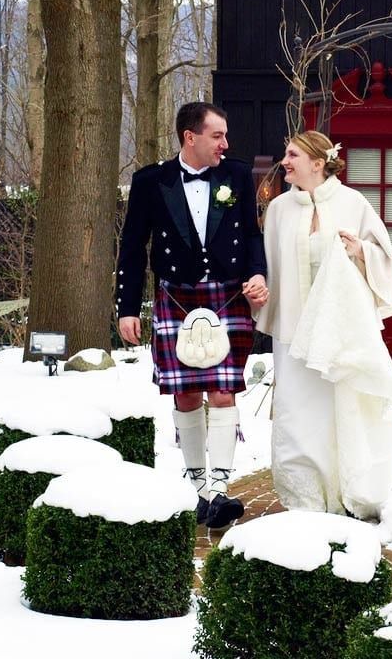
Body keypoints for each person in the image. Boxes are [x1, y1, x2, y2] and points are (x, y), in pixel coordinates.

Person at [116, 101, 269, 529]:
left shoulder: (236, 175)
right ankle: (200, 491)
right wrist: (127, 308)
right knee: (186, 395)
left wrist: (257, 272)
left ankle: (218, 491)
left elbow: (252, 234)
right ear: (191, 137)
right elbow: (132, 248)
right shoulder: (152, 181)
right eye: (217, 135)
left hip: (226, 293)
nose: (226, 143)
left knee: (223, 393)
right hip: (176, 296)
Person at [255, 130, 392, 519]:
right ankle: (304, 497)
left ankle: (346, 490)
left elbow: (384, 257)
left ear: (318, 163)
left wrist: (360, 252)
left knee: (342, 410)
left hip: (339, 333)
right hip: (293, 332)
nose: (284, 161)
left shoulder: (353, 203)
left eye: (292, 155)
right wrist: (260, 293)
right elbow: (269, 266)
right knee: (297, 411)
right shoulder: (278, 210)